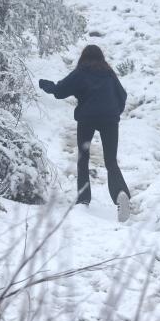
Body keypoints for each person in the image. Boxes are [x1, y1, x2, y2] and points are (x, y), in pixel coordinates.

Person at [38, 45, 132, 222]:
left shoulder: (81, 72)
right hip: (109, 120)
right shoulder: (109, 73)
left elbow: (60, 91)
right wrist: (114, 112)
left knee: (83, 159)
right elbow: (123, 95)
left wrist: (46, 85)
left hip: (87, 119)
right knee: (111, 161)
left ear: (83, 57)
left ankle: (83, 198)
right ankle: (121, 193)